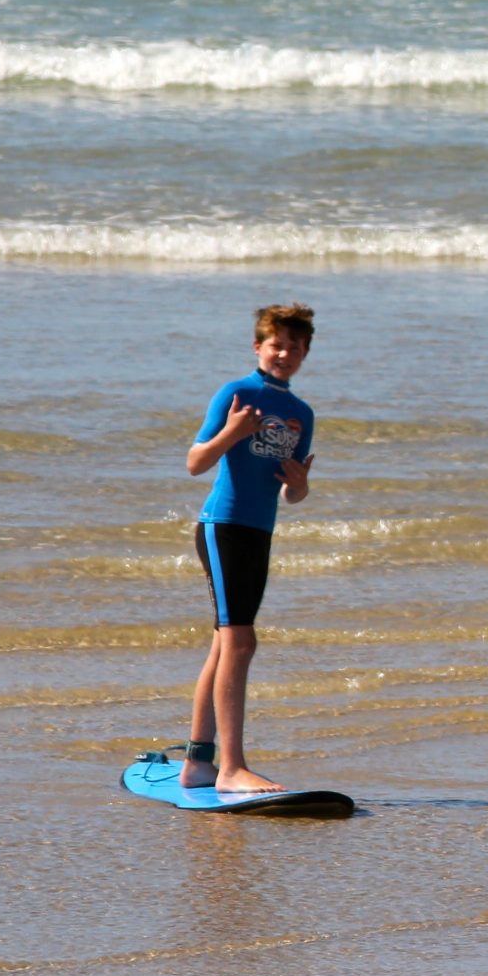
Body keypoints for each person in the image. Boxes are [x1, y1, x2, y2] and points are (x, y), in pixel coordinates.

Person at [181, 303, 319, 794]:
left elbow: (290, 493)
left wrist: (300, 485)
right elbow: (196, 462)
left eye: (294, 347)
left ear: (305, 354)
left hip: (260, 530)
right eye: (276, 344)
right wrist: (232, 432)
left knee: (227, 643)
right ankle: (231, 767)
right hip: (223, 526)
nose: (284, 353)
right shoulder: (237, 393)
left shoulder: (301, 414)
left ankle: (198, 762)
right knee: (241, 642)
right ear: (258, 347)